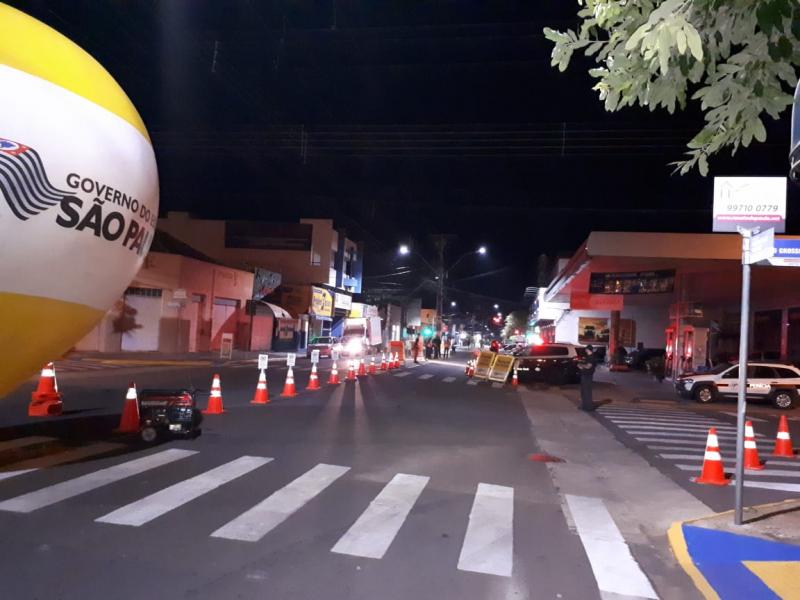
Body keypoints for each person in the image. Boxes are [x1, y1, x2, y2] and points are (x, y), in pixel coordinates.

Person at [578, 344, 599, 411]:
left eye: (586, 349)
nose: (585, 350)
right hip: (585, 375)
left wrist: (581, 365)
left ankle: (588, 407)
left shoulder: (591, 357)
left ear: (588, 349)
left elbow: (588, 366)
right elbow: (585, 365)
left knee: (586, 392)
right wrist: (580, 366)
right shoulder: (588, 357)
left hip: (587, 376)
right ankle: (584, 406)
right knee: (584, 392)